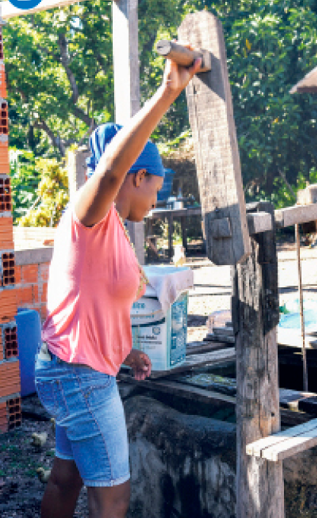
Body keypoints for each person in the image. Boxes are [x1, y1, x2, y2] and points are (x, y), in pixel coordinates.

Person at [34, 48, 202, 518]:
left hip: (76, 366)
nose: (155, 201)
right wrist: (169, 90)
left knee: (67, 478)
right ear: (137, 176)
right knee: (113, 495)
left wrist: (123, 349)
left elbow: (90, 303)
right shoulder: (91, 215)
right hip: (81, 377)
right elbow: (110, 169)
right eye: (154, 189)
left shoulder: (113, 233)